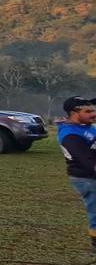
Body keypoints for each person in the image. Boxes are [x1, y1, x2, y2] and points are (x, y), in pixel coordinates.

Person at [59, 97, 96, 252]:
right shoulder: (70, 134)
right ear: (74, 113)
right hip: (86, 178)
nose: (93, 114)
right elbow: (87, 162)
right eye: (88, 111)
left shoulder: (85, 126)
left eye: (94, 110)